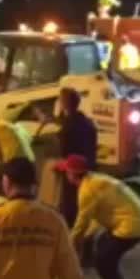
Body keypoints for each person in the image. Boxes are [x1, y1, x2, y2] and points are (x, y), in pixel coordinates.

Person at [57, 154, 140, 279]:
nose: (65, 175)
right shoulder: (95, 179)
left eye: (66, 172)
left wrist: (69, 243)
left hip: (131, 227)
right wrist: (86, 236)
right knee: (103, 247)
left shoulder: (86, 191)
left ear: (72, 174)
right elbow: (96, 216)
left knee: (104, 262)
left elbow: (82, 222)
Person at [53, 88, 98, 228]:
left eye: (61, 101)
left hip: (74, 170)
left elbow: (65, 152)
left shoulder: (68, 128)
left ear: (64, 104)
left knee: (71, 206)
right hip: (89, 167)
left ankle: (71, 236)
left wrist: (59, 166)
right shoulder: (86, 121)